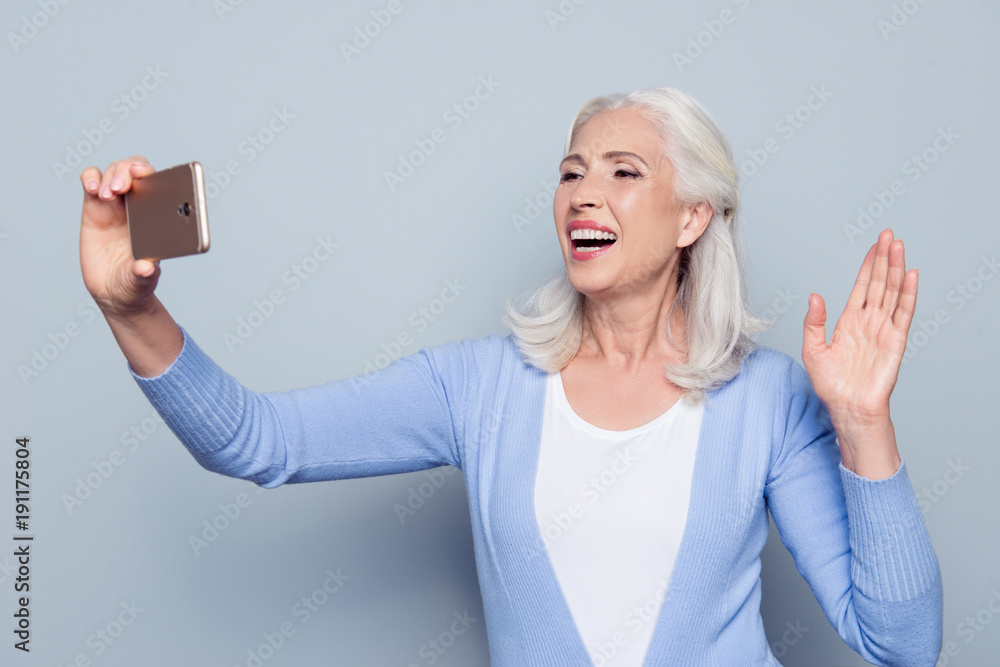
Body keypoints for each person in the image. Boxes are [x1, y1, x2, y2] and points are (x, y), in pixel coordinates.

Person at [77, 87, 942, 666]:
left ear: (692, 218)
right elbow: (257, 441)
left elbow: (901, 646)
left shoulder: (770, 402)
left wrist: (864, 422)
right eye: (570, 172)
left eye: (622, 173)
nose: (581, 194)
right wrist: (130, 309)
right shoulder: (480, 388)